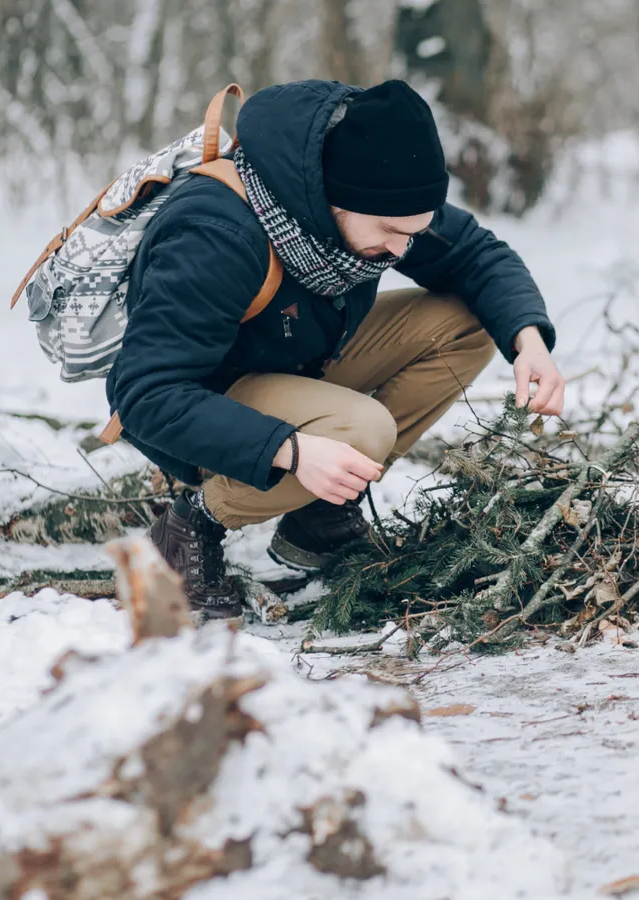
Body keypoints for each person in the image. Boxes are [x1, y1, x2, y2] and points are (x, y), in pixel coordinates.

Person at [106, 78, 564, 618]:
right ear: (333, 200)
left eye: (413, 234)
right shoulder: (214, 233)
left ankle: (320, 514)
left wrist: (528, 340)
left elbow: (474, 255)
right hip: (205, 402)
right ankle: (193, 525)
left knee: (469, 319)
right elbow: (145, 393)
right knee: (364, 430)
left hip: (298, 357)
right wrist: (292, 451)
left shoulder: (383, 195)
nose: (402, 249)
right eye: (392, 232)